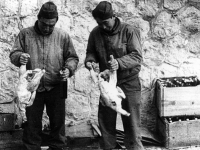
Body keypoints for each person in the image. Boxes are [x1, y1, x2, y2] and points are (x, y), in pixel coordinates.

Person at [10, 2, 79, 150]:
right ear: (38, 18)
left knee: (57, 124)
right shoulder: (25, 34)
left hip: (57, 86)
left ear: (56, 21)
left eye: (51, 25)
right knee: (32, 125)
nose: (47, 28)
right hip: (32, 88)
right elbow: (14, 54)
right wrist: (19, 57)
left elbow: (73, 58)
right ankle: (32, 147)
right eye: (44, 24)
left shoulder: (63, 36)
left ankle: (57, 147)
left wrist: (68, 69)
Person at [85, 1, 144, 150]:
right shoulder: (95, 33)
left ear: (113, 17)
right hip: (108, 85)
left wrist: (118, 63)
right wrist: (90, 61)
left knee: (132, 123)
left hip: (129, 82)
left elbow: (137, 56)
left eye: (105, 23)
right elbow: (91, 52)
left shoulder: (129, 31)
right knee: (105, 122)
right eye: (100, 24)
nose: (103, 27)